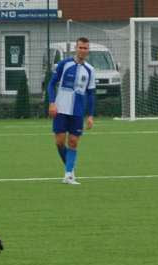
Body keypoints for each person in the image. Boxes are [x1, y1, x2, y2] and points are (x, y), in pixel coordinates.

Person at [47, 37, 96, 185]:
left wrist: (90, 115)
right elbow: (51, 84)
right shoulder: (64, 64)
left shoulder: (90, 70)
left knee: (73, 142)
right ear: (76, 48)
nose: (82, 50)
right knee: (60, 142)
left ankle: (68, 174)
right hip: (61, 109)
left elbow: (91, 93)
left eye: (85, 48)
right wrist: (52, 103)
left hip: (77, 111)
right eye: (80, 47)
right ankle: (70, 168)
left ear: (88, 50)